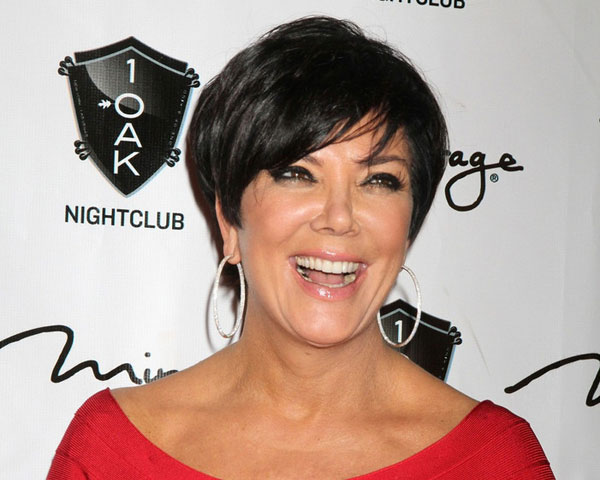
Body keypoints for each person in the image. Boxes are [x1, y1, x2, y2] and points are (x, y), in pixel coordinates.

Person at [48, 16, 555, 479]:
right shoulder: (111, 447)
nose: (339, 217)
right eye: (297, 174)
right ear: (228, 220)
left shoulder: (494, 460)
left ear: (408, 227)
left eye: (379, 180)